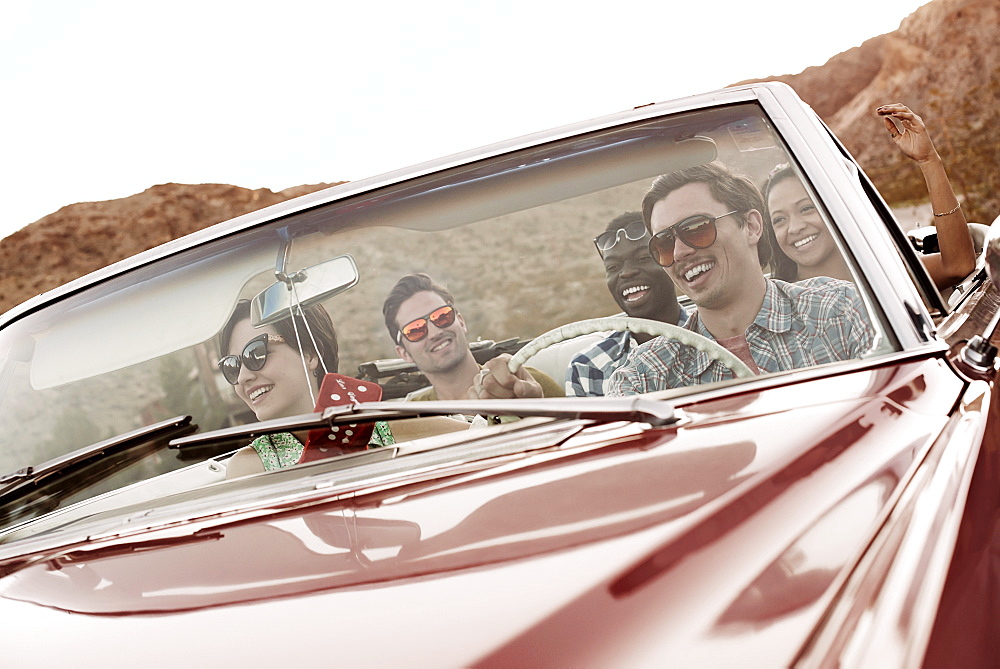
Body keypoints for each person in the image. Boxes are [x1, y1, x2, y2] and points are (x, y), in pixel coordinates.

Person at [607, 161, 874, 395]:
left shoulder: (841, 312)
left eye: (696, 228)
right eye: (664, 243)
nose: (679, 252)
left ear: (752, 226)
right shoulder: (643, 378)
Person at [765, 104, 976, 290]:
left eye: (805, 209)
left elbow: (957, 266)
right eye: (779, 220)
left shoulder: (882, 277)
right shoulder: (775, 302)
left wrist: (929, 160)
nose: (794, 228)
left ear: (835, 210)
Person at [218, 300, 394, 478]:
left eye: (256, 353)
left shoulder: (387, 425)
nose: (242, 377)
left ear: (310, 354)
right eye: (232, 366)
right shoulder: (250, 467)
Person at [382, 273, 564, 401]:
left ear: (460, 321)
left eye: (442, 316)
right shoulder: (405, 419)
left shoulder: (523, 382)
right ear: (404, 353)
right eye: (416, 330)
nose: (435, 332)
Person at [566, 211, 689, 396]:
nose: (626, 273)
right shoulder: (587, 368)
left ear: (670, 261)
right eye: (613, 267)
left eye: (642, 259)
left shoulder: (715, 337)